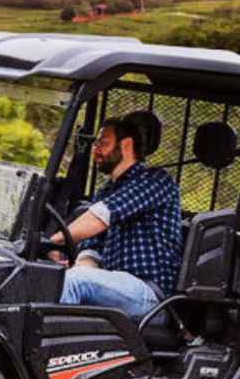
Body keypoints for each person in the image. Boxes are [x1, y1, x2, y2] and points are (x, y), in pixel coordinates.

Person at [53, 115, 183, 319]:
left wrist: (53, 241)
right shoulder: (106, 191)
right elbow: (92, 248)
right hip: (116, 285)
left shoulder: (155, 180)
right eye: (96, 144)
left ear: (126, 145)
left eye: (103, 143)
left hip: (151, 295)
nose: (96, 149)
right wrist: (80, 265)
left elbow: (102, 216)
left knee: (75, 282)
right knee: (56, 278)